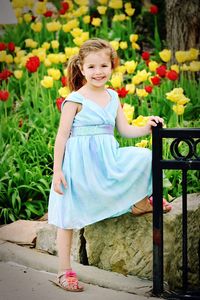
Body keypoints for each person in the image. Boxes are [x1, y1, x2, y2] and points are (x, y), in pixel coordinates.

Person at [48, 38, 172, 292]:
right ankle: (64, 271)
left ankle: (139, 203)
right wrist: (57, 171)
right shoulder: (74, 100)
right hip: (79, 167)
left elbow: (125, 131)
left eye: (104, 65)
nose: (99, 72)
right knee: (67, 215)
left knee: (144, 158)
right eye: (92, 67)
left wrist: (147, 126)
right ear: (81, 68)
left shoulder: (113, 97)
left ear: (112, 66)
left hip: (107, 162)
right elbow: (61, 137)